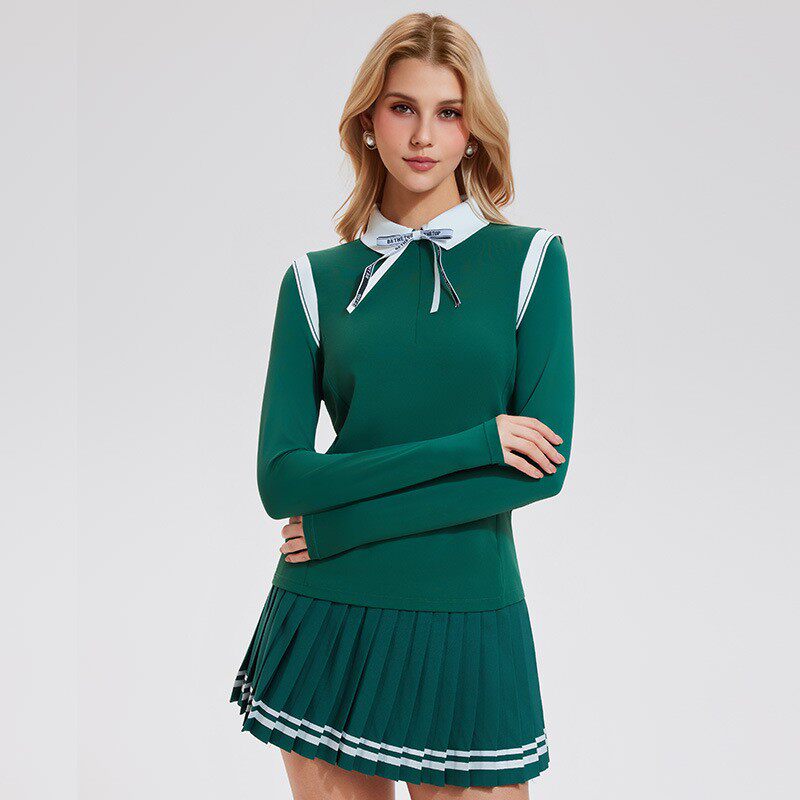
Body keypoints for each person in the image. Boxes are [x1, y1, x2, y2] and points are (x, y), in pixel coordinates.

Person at [229, 12, 575, 799]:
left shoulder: (530, 262)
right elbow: (281, 481)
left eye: (448, 112)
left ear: (472, 130)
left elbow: (541, 469)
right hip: (326, 605)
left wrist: (347, 523)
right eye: (402, 108)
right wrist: (474, 443)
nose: (423, 135)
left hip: (464, 607)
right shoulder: (315, 281)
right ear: (368, 122)